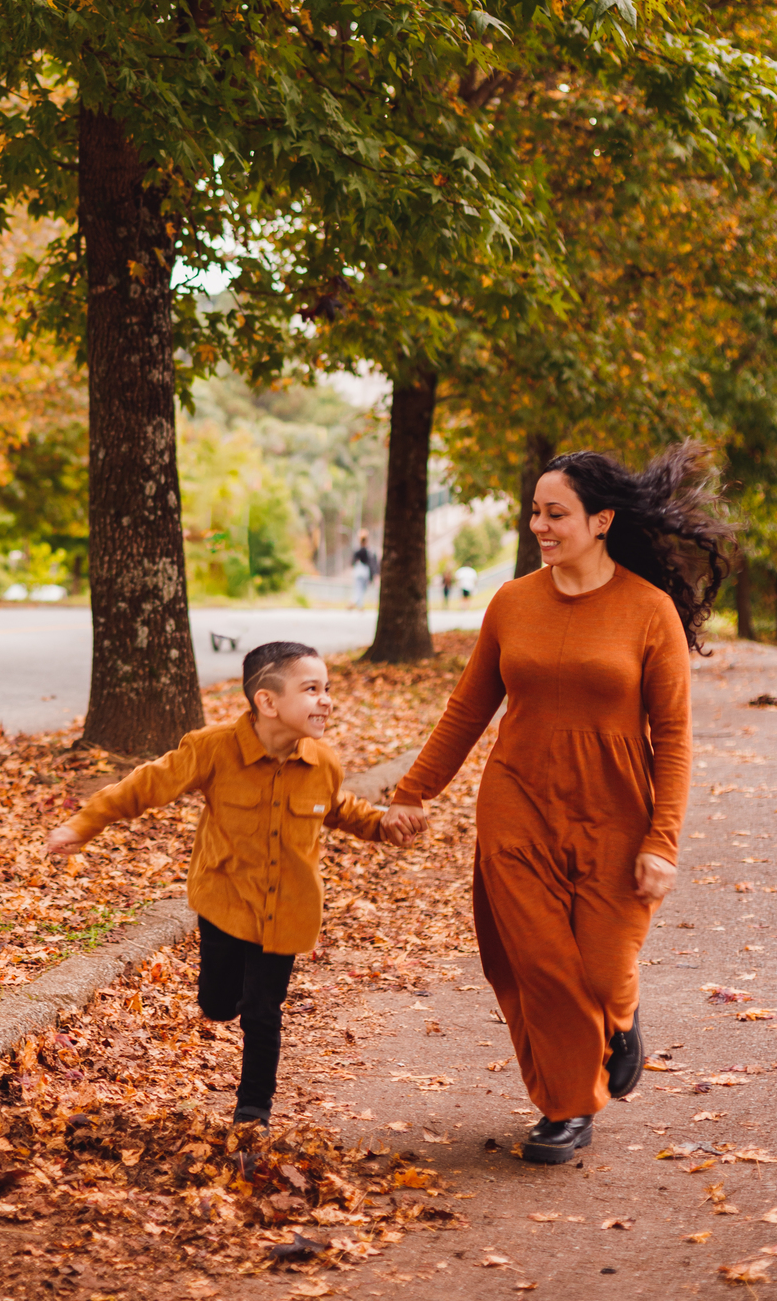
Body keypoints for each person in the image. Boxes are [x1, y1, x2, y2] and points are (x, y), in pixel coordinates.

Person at [384, 445, 732, 1166]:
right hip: (518, 803)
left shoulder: (648, 610)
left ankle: (621, 1018)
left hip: (615, 811)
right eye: (535, 512)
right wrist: (412, 793)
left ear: (600, 520)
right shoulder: (513, 602)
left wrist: (662, 841)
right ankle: (566, 1107)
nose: (539, 526)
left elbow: (673, 737)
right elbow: (466, 710)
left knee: (603, 973)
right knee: (539, 964)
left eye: (556, 513)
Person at [46, 641, 416, 1128]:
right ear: (267, 701)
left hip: (287, 910)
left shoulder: (322, 762)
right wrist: (82, 825)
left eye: (327, 689)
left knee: (264, 1009)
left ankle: (253, 1109)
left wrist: (382, 825)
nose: (326, 699)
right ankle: (222, 998)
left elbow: (340, 808)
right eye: (311, 689)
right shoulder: (213, 748)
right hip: (224, 900)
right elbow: (144, 785)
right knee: (219, 1004)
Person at [351, 531, 376, 608]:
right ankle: (358, 604)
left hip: (360, 571)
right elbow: (371, 563)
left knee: (360, 588)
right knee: (361, 588)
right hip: (364, 571)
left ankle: (354, 601)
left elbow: (353, 562)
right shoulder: (368, 550)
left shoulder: (359, 550)